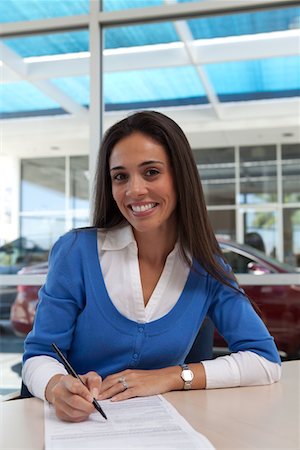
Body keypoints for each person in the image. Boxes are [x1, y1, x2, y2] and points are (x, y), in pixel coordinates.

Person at [23, 111, 281, 423]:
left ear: (179, 176)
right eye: (120, 176)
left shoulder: (208, 269)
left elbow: (264, 361)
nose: (134, 190)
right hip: (77, 429)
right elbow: (39, 355)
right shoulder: (76, 253)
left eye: (151, 172)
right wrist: (55, 387)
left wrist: (173, 376)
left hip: (156, 428)